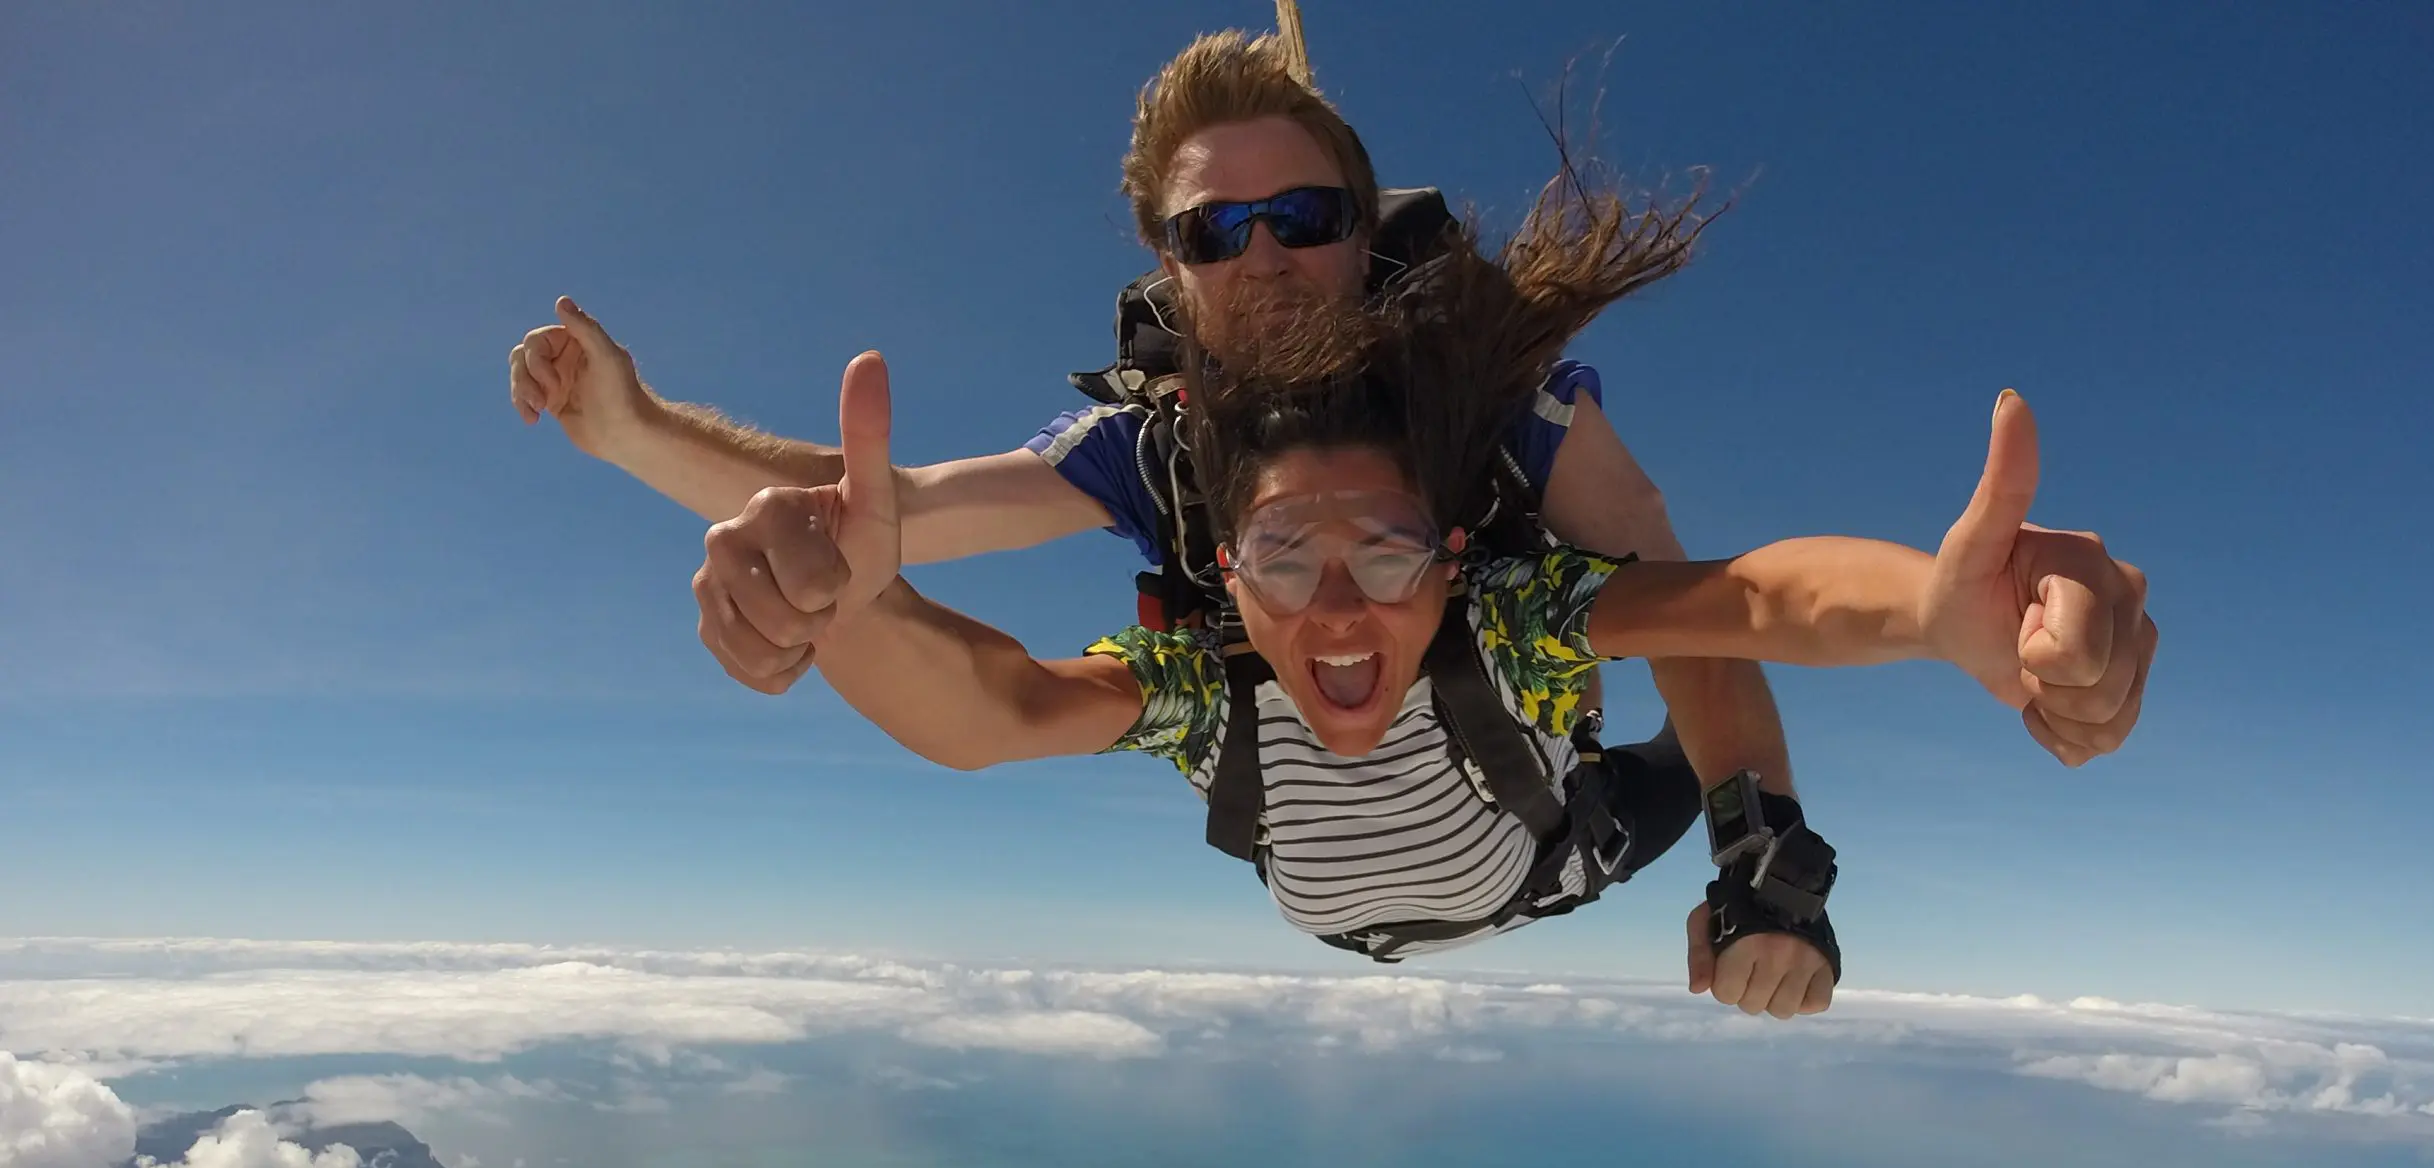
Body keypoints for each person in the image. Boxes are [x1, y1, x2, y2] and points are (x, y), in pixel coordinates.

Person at [508, 25, 1899, 1016]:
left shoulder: (1511, 411)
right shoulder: (1156, 452)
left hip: (1544, 832)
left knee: (1622, 693)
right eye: (1212, 231)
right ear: (1164, 270)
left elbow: (1697, 605)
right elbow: (886, 518)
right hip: (1326, 838)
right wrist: (645, 441)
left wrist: (1760, 859)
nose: (1268, 256)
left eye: (1302, 214)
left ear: (1368, 229)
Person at [740, 173, 2148, 987]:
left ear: (1456, 557)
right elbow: (994, 705)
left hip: (1559, 853)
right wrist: (855, 604)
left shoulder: (1510, 626)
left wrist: (1923, 611)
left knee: (1683, 748)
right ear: (1227, 568)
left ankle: (1754, 840)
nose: (1342, 606)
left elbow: (1744, 601)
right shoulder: (1208, 674)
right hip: (1496, 865)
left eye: (1391, 549)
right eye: (1288, 558)